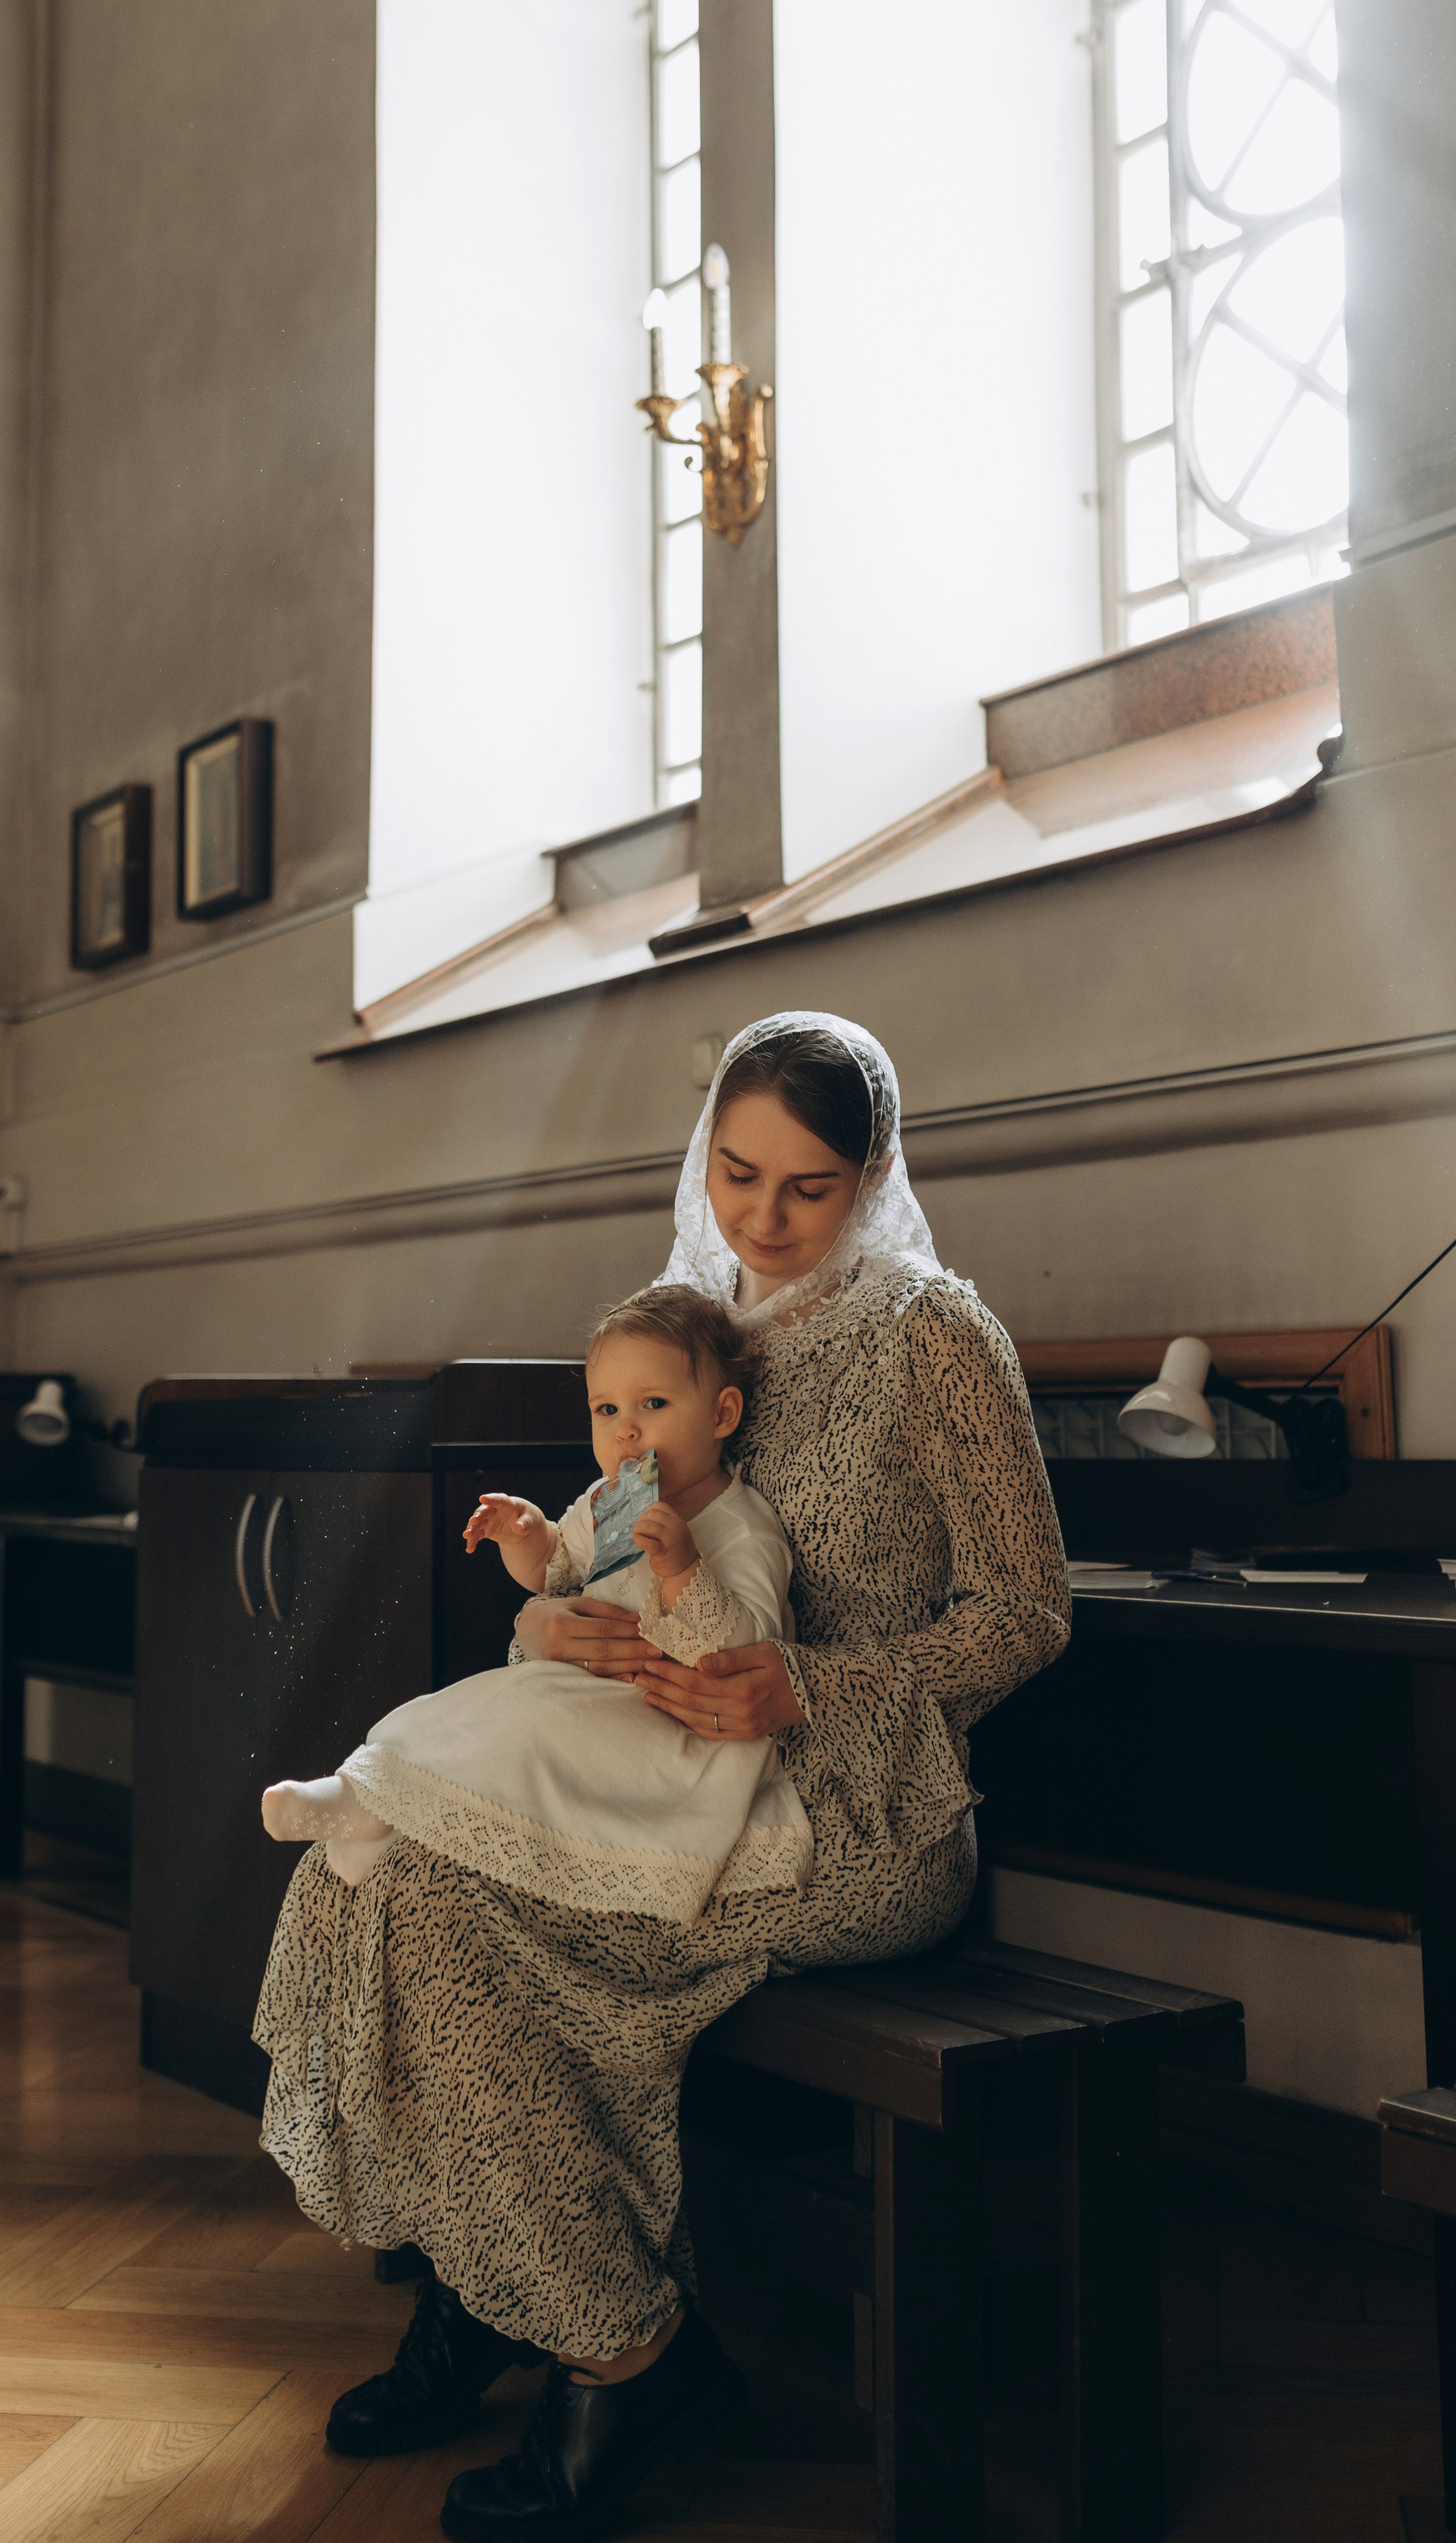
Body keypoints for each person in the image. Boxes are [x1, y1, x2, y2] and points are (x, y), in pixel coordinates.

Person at [253, 1009, 1070, 2543]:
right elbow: (607, 1568)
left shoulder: (931, 1335)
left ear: (875, 1172)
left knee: (440, 1914)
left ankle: (619, 2355)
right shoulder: (684, 1328)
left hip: (852, 1816)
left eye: (807, 1188)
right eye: (736, 1171)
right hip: (654, 1778)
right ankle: (502, 2292)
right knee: (371, 1871)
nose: (760, 1220)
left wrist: (812, 1679)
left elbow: (1029, 1614)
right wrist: (545, 1616)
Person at [258, 1284, 810, 1921]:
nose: (625, 1429)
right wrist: (526, 1533)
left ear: (722, 1414)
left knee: (530, 1717)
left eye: (653, 1404)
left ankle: (374, 1808)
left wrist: (682, 1566)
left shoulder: (740, 1526)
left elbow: (745, 1653)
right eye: (605, 1409)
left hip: (677, 1728)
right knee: (480, 1702)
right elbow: (556, 1570)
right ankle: (370, 1795)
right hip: (594, 1697)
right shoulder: (613, 1500)